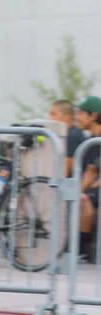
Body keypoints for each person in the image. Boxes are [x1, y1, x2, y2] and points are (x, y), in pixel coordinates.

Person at [75, 96, 101, 260]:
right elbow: (90, 171)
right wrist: (77, 192)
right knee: (80, 197)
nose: (77, 116)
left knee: (85, 200)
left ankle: (79, 249)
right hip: (96, 187)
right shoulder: (91, 141)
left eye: (81, 113)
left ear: (93, 116)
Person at [48, 99, 87, 178]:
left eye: (53, 114)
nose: (49, 118)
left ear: (66, 117)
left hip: (74, 186)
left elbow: (65, 171)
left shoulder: (73, 136)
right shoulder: (67, 134)